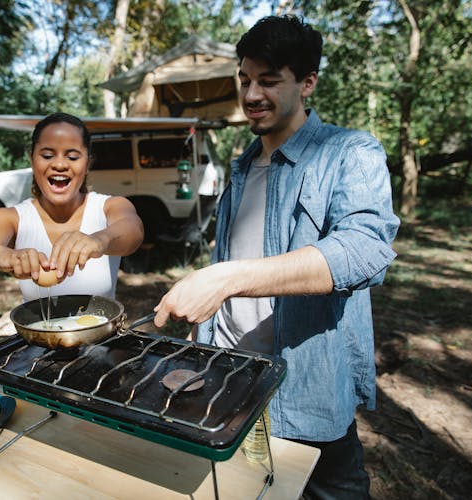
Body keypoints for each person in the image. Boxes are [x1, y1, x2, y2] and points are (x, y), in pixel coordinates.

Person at [153, 15, 400, 499]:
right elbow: (236, 256)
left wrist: (227, 278)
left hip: (305, 387)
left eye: (269, 81)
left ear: (307, 82)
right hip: (229, 378)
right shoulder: (242, 165)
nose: (251, 95)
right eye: (244, 79)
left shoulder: (350, 151)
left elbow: (366, 248)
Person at [0, 112, 144, 302]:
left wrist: (100, 240)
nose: (59, 164)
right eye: (47, 155)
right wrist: (1, 255)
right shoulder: (13, 218)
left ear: (87, 164)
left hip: (103, 332)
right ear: (32, 160)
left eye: (72, 157)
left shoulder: (108, 207)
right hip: (36, 333)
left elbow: (133, 229)